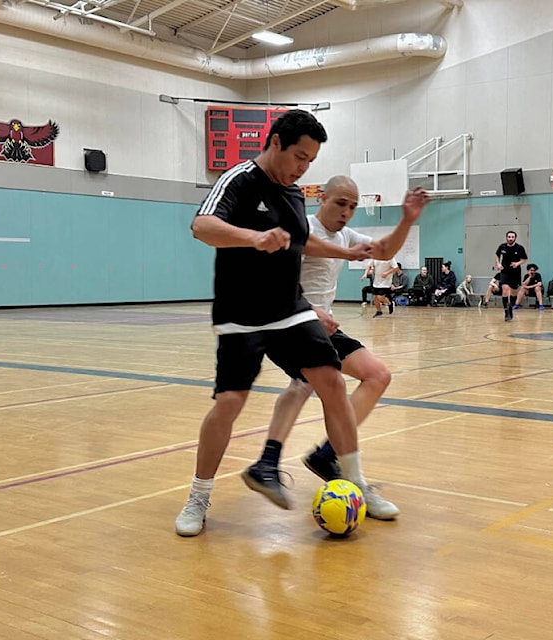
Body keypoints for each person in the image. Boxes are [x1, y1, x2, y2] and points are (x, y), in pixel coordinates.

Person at [174, 110, 374, 537]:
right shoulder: (240, 180)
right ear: (276, 143)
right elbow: (201, 226)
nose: (302, 167)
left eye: (310, 161)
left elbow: (305, 241)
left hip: (290, 309)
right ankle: (198, 496)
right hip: (241, 312)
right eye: (299, 157)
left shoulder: (295, 194)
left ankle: (356, 483)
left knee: (332, 382)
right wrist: (253, 237)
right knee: (229, 403)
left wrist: (347, 254)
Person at [241, 177, 430, 518]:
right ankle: (338, 473)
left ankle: (324, 455)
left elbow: (384, 251)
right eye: (340, 203)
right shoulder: (301, 226)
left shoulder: (346, 235)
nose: (346, 212)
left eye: (353, 207)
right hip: (290, 320)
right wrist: (311, 309)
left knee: (377, 375)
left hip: (323, 326)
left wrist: (406, 220)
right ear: (322, 198)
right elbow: (284, 269)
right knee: (311, 382)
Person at [494, 230, 528, 321]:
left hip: (515, 273)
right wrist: (498, 264)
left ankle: (510, 309)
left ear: (515, 238)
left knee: (513, 293)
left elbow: (524, 259)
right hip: (505, 272)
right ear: (506, 237)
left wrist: (517, 263)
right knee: (505, 290)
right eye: (509, 237)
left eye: (512, 237)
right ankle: (506, 313)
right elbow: (497, 255)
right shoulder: (502, 247)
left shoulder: (519, 248)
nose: (510, 238)